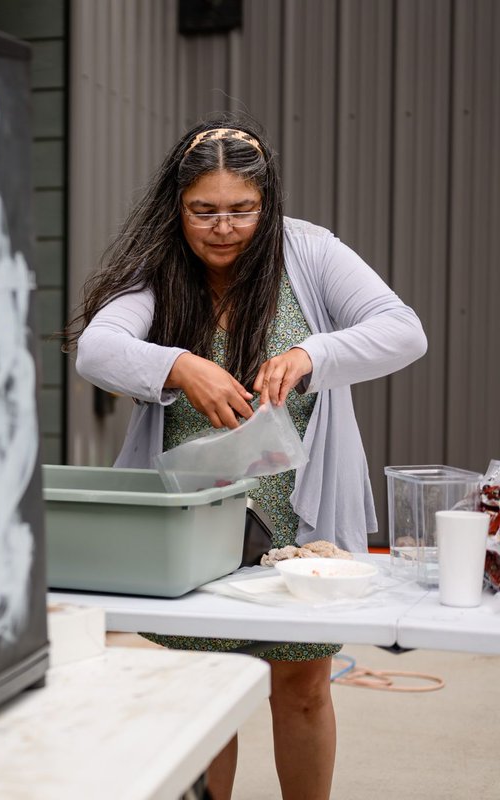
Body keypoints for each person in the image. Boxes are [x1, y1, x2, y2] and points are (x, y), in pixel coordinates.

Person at [62, 113, 427, 800]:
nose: (224, 228)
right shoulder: (158, 265)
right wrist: (179, 365)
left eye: (242, 210)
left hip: (297, 513)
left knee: (303, 687)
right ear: (177, 205)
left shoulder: (308, 251)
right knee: (200, 691)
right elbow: (98, 351)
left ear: (268, 202)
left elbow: (403, 332)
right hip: (194, 514)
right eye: (204, 211)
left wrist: (311, 354)